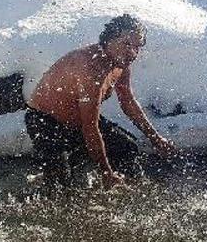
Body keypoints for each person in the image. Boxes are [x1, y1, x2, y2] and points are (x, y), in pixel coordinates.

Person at [26, 14, 176, 188]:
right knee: (61, 186)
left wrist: (156, 139)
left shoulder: (121, 64)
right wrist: (106, 172)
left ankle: (134, 193)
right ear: (109, 40)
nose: (133, 52)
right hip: (45, 122)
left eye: (138, 46)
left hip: (78, 123)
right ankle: (51, 178)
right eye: (127, 44)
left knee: (127, 148)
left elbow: (128, 102)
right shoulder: (90, 68)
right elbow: (90, 127)